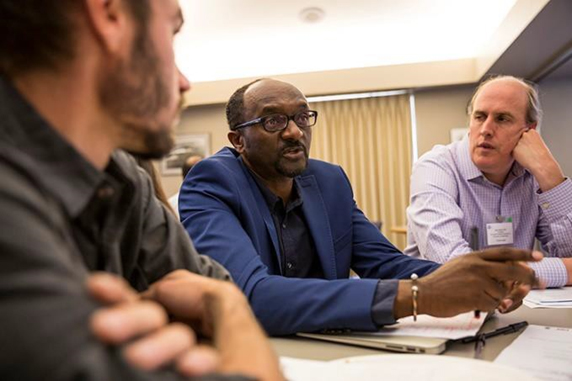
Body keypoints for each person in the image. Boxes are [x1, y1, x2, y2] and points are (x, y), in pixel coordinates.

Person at [0, 1, 282, 380]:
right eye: (172, 32)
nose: (184, 83)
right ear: (109, 14)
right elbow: (219, 306)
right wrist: (229, 311)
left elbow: (205, 287)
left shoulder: (122, 178)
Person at [179, 78, 541, 336]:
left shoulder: (328, 181)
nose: (294, 132)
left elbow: (386, 263)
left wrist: (474, 280)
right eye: (273, 120)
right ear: (238, 140)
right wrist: (420, 296)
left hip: (335, 348)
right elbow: (251, 296)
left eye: (303, 117)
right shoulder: (211, 182)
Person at [404, 75, 572, 288]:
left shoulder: (534, 174)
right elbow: (455, 267)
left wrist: (550, 174)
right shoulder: (435, 168)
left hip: (519, 306)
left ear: (529, 129)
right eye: (480, 117)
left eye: (502, 118)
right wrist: (564, 270)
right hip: (442, 310)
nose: (486, 129)